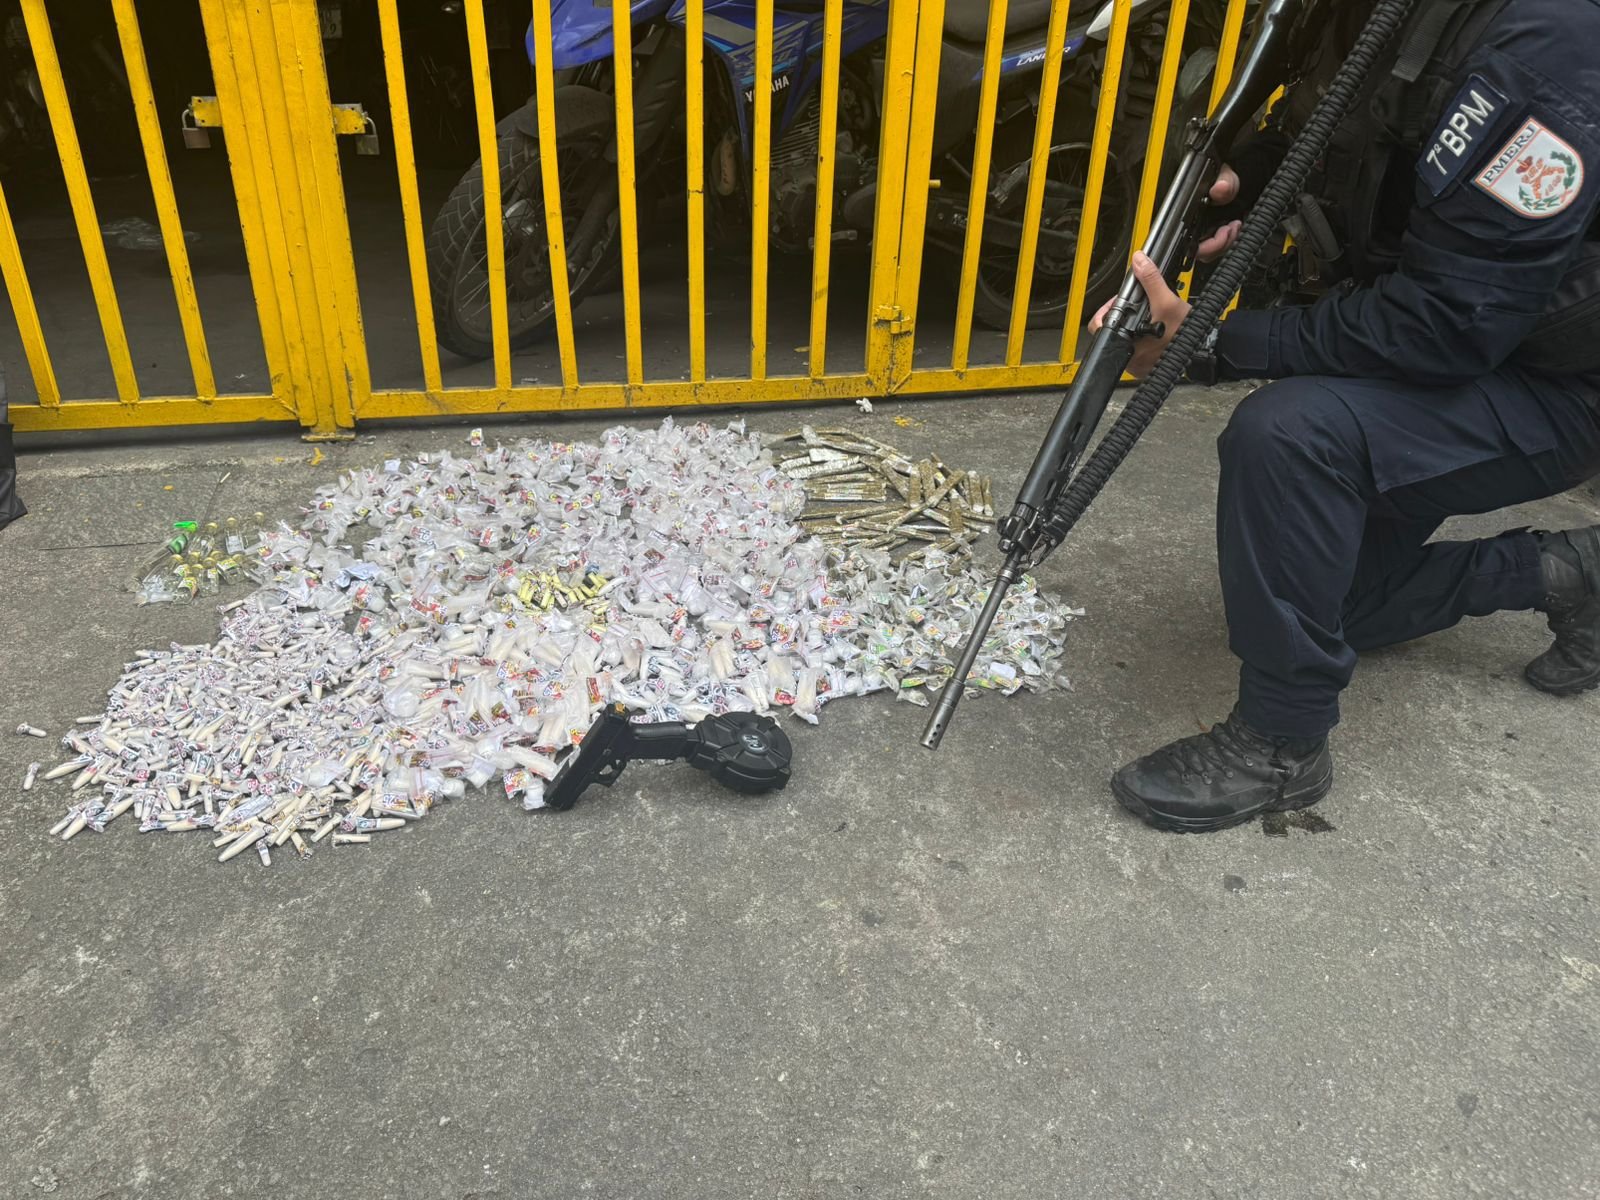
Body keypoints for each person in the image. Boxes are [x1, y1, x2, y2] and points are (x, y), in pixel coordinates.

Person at [1091, 0, 1600, 833]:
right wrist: (1246, 178)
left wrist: (1217, 343)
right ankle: (1572, 573)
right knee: (1335, 607)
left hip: (1553, 386)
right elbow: (1348, 124)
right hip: (1471, 350)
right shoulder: (1369, 12)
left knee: (1288, 434)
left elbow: (1447, 325)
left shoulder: (1546, 43)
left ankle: (1281, 745)